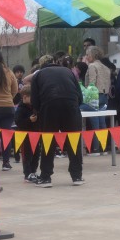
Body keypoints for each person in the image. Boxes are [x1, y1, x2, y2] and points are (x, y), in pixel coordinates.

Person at [30, 55, 85, 188]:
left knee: (48, 142)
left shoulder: (38, 75)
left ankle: (45, 177)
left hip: (49, 106)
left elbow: (34, 100)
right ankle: (77, 176)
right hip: (71, 106)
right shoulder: (68, 72)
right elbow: (80, 97)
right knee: (74, 141)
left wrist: (38, 112)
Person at [85, 46, 111, 154]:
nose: (86, 57)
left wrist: (87, 95)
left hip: (94, 95)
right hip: (104, 95)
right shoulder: (106, 68)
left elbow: (92, 82)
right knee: (102, 123)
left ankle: (95, 149)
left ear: (92, 55)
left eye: (87, 55)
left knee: (94, 122)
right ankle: (103, 148)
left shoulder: (92, 66)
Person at [14, 85, 41, 183]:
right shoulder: (21, 108)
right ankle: (27, 173)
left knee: (36, 154)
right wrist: (29, 120)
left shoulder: (34, 107)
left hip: (35, 135)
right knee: (27, 155)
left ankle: (33, 171)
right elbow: (18, 121)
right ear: (24, 97)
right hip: (25, 136)